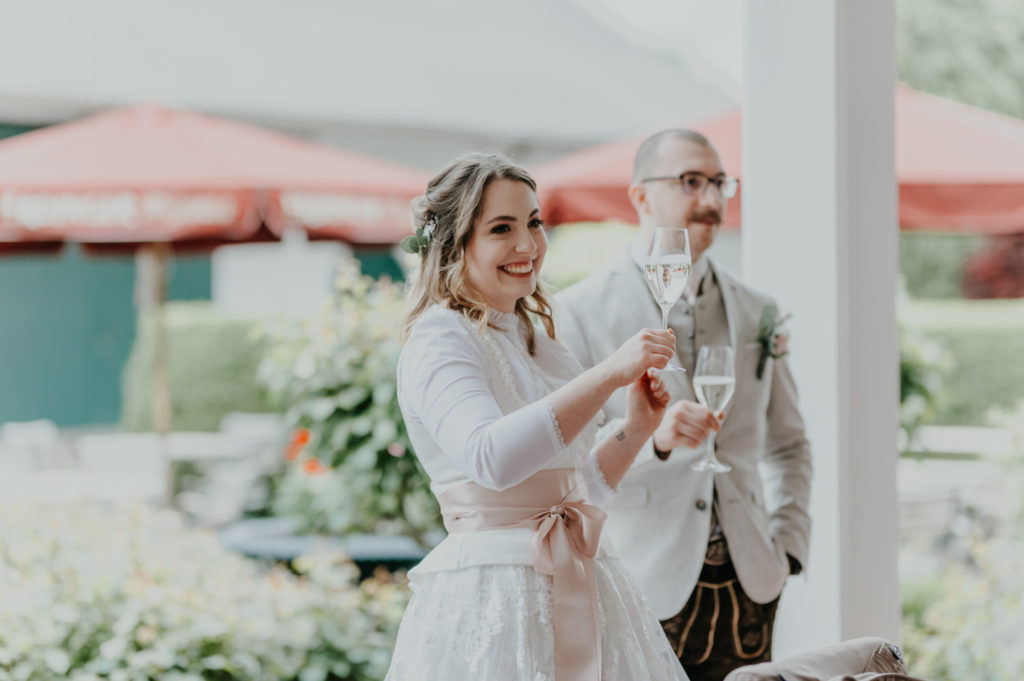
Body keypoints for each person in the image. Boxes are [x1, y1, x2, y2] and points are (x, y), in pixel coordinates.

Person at [385, 151, 690, 681]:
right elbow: (491, 459)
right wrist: (607, 374)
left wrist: (639, 427)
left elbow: (576, 490)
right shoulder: (440, 337)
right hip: (496, 596)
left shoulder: (542, 344)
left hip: (582, 575)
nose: (528, 245)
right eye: (501, 228)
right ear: (454, 244)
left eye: (534, 222)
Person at [556, 130, 813, 681]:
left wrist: (789, 547)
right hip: (641, 577)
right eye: (691, 182)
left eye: (720, 182)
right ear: (640, 196)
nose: (712, 199)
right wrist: (652, 439)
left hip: (752, 582)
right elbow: (564, 463)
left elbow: (789, 443)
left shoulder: (758, 309)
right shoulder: (577, 311)